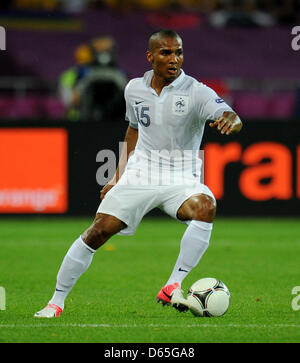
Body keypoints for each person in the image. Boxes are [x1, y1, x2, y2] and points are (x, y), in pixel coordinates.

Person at [34, 29, 242, 318]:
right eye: (166, 53)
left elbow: (230, 114)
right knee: (98, 232)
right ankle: (55, 302)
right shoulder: (134, 88)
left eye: (178, 52)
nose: (174, 59)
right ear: (150, 56)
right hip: (140, 173)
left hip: (181, 178)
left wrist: (231, 119)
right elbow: (133, 129)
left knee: (205, 207)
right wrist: (118, 176)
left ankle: (173, 284)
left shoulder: (196, 91)